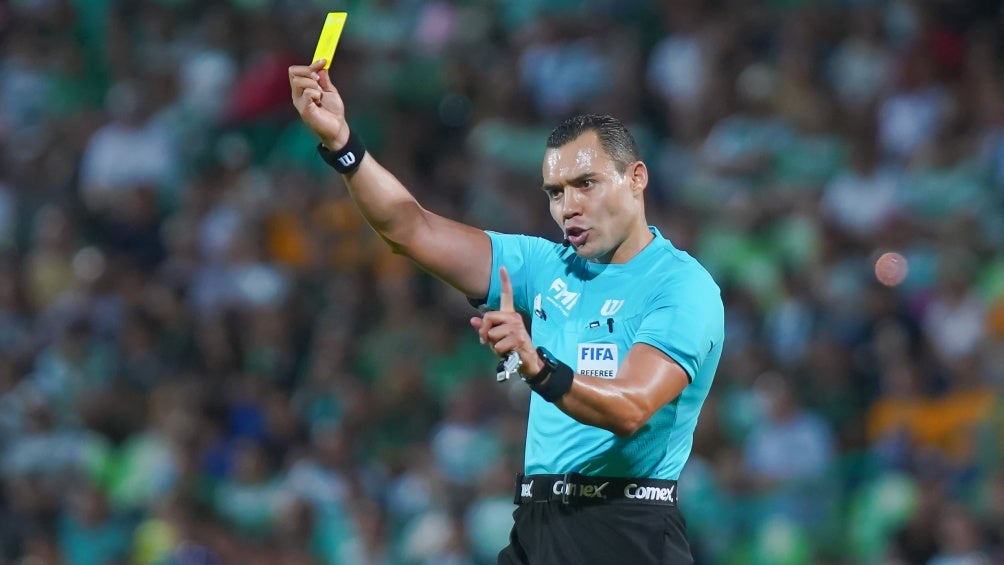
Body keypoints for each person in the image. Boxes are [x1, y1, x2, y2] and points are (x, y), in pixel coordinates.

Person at [289, 58, 724, 565]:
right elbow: (410, 229)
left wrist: (536, 366)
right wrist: (343, 145)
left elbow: (630, 408)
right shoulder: (543, 265)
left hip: (625, 530)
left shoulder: (681, 286)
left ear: (636, 178)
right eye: (556, 193)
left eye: (586, 183)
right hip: (537, 526)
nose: (568, 207)